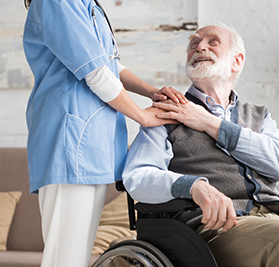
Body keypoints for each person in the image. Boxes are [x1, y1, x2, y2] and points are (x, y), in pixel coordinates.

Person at [122, 23, 279, 267]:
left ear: (236, 61)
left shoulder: (259, 115)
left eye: (213, 41)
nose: (200, 46)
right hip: (215, 225)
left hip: (277, 213)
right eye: (194, 43)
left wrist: (209, 123)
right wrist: (194, 186)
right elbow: (138, 177)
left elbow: (278, 165)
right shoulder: (166, 112)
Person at [22, 0, 187, 266]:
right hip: (70, 142)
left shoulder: (86, 4)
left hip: (91, 145)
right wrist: (142, 116)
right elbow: (94, 71)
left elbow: (109, 65)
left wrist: (151, 92)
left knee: (76, 256)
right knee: (65, 259)